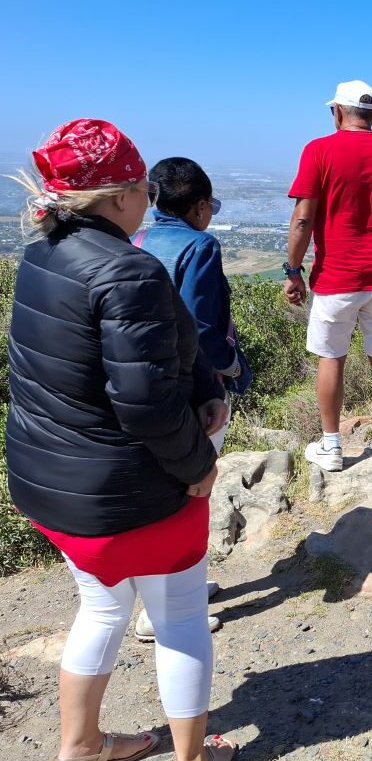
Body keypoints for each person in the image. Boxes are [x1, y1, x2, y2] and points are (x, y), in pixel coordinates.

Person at [5, 120, 236, 761]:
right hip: (130, 494)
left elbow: (124, 354)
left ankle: (80, 747)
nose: (146, 197)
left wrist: (202, 385)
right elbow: (143, 399)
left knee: (101, 609)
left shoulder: (43, 254)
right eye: (140, 187)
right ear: (119, 195)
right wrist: (198, 465)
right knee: (181, 618)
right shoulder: (127, 268)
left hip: (56, 490)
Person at [131, 156, 252, 641]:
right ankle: (161, 612)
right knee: (187, 495)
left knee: (161, 490)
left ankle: (173, 593)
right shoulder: (200, 246)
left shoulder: (135, 240)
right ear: (200, 206)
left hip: (142, 385)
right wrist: (232, 369)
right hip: (193, 388)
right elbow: (203, 329)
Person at [284, 80, 372, 472]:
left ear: (338, 112)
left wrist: (293, 271)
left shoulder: (319, 150)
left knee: (331, 358)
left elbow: (303, 219)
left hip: (336, 277)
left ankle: (331, 448)